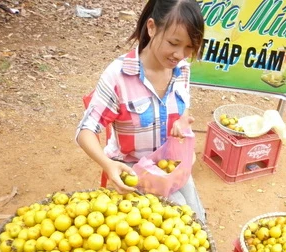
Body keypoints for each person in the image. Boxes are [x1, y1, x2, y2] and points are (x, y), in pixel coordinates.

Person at [76, 0, 206, 222]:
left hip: (170, 165)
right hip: (133, 168)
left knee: (197, 220)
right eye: (174, 43)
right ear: (152, 27)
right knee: (182, 222)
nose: (179, 54)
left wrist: (183, 120)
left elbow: (183, 105)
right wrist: (108, 165)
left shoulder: (182, 69)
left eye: (188, 48)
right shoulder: (119, 76)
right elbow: (85, 130)